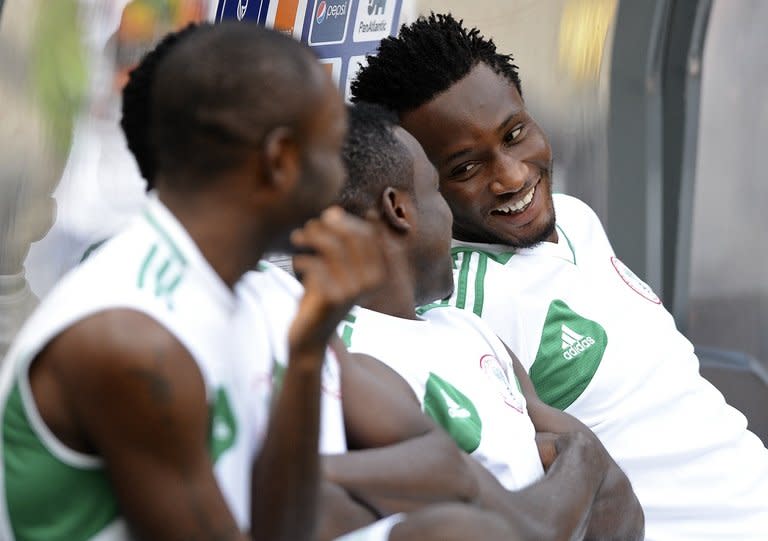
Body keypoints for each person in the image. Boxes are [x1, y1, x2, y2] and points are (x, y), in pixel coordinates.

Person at [351, 13, 768, 541]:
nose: (513, 176)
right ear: (419, 185)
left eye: (515, 134)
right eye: (464, 168)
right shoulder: (463, 308)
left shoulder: (574, 217)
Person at [0, 22, 408, 541]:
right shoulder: (133, 336)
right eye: (333, 155)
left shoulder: (228, 293)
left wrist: (309, 349)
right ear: (280, 161)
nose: (344, 186)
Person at [336, 102, 643, 540]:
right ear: (399, 210)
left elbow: (620, 505)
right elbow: (526, 518)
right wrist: (576, 461)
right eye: (437, 191)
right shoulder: (354, 359)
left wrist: (574, 467)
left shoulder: (466, 327)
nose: (450, 217)